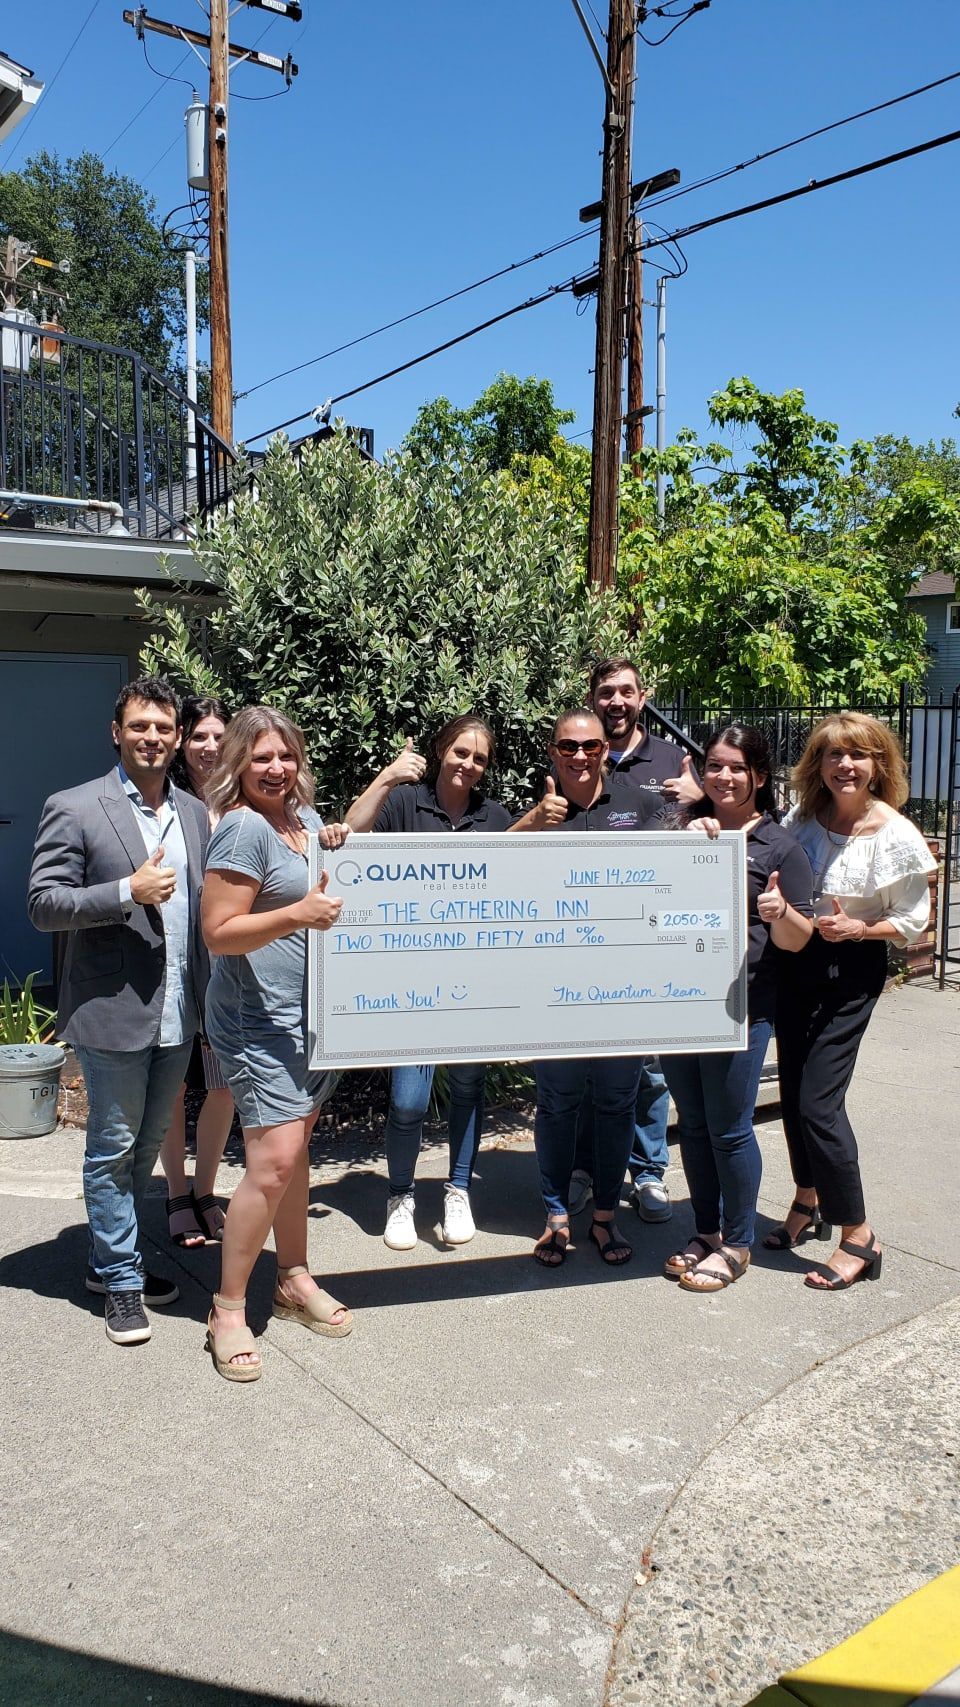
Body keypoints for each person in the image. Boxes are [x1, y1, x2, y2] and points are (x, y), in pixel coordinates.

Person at [27, 675, 209, 1346]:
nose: (153, 737)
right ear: (117, 731)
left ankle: (113, 1264)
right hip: (112, 1012)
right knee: (111, 1149)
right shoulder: (74, 807)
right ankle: (124, 1283)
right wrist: (124, 890)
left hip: (178, 1014)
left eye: (164, 727)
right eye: (140, 726)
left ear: (179, 736)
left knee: (142, 1157)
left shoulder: (192, 812)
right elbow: (43, 903)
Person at [201, 706, 353, 1383]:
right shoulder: (242, 827)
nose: (276, 768)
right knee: (273, 1159)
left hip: (308, 1017)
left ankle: (292, 1277)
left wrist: (341, 840)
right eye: (262, 757)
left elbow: (327, 880)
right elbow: (218, 931)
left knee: (295, 1152)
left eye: (285, 755)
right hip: (254, 1020)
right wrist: (296, 912)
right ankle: (228, 1309)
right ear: (239, 762)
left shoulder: (306, 824)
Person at [768, 713, 935, 1291]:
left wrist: (859, 931)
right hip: (796, 962)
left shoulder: (895, 835)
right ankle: (807, 1199)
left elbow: (914, 922)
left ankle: (859, 1234)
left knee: (819, 1104)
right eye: (834, 754)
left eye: (858, 755)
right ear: (818, 764)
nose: (845, 765)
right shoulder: (803, 818)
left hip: (849, 971)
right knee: (792, 1091)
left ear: (878, 765)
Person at [346, 715, 511, 1251]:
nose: (467, 764)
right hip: (410, 981)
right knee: (409, 1099)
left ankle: (457, 1189)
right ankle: (401, 1195)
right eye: (460, 752)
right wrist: (388, 776)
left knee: (467, 1088)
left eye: (479, 758)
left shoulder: (495, 817)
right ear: (442, 751)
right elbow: (352, 830)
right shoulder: (404, 802)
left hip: (474, 981)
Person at [660, 726, 814, 1292]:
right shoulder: (683, 829)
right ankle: (706, 1232)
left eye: (736, 767)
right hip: (676, 1004)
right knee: (695, 1127)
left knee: (728, 1129)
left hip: (740, 1010)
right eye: (714, 766)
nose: (723, 777)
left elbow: (800, 940)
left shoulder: (780, 848)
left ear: (761, 776)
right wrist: (683, 842)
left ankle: (739, 1241)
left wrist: (778, 911)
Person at [512, 708, 660, 1268]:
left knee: (618, 1102)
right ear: (552, 751)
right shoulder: (540, 807)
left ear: (606, 749)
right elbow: (483, 871)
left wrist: (702, 826)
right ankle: (554, 1215)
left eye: (590, 746)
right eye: (568, 746)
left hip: (625, 986)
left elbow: (674, 877)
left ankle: (603, 1217)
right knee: (556, 1103)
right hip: (554, 988)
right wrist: (533, 823)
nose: (579, 756)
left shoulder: (640, 806)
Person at [571, 657, 704, 1226]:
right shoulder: (574, 756)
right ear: (593, 700)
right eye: (606, 693)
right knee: (581, 1059)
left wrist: (701, 800)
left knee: (648, 1068)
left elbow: (716, 836)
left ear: (642, 696)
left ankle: (648, 1172)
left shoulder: (676, 762)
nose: (617, 701)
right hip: (583, 934)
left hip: (651, 937)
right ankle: (583, 1167)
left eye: (626, 691)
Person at [159, 695, 235, 1247]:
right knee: (170, 1084)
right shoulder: (165, 804)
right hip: (175, 968)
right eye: (200, 736)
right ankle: (175, 1193)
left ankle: (207, 1190)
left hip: (230, 972)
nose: (209, 747)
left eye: (218, 736)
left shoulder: (244, 803)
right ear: (183, 743)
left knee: (223, 1086)